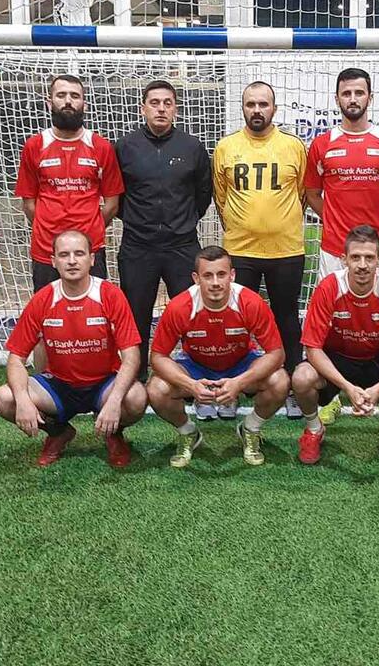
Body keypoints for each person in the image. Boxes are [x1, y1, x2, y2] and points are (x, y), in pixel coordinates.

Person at [303, 67, 379, 427]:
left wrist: (378, 223)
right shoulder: (322, 144)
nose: (353, 99)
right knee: (332, 324)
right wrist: (336, 222)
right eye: (346, 93)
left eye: (359, 93)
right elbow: (312, 194)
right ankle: (332, 395)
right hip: (334, 249)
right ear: (337, 99)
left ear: (370, 97)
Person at [0, 229, 146, 469]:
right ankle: (59, 432)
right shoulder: (43, 299)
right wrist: (22, 399)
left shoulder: (110, 295)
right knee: (4, 399)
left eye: (79, 254)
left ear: (92, 259)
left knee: (136, 398)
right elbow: (16, 358)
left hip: (103, 384)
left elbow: (132, 356)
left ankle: (114, 433)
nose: (72, 261)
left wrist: (115, 400)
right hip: (59, 386)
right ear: (53, 261)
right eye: (64, 255)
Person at [291, 225, 379, 470]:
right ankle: (314, 430)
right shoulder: (329, 287)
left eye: (369, 257)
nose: (362, 265)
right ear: (343, 259)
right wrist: (347, 387)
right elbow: (312, 348)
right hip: (338, 359)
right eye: (355, 257)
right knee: (301, 377)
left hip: (378, 359)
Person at [211, 81, 307, 419]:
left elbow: (302, 194)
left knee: (287, 319)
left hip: (286, 250)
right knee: (235, 322)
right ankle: (231, 391)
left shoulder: (293, 146)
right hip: (240, 251)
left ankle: (293, 387)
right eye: (250, 104)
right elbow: (221, 198)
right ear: (242, 108)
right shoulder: (226, 147)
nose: (257, 110)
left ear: (274, 109)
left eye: (263, 104)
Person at [146, 246, 290, 467]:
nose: (215, 282)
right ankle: (188, 432)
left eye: (221, 274)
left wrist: (239, 382)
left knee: (280, 381)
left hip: (240, 364)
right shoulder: (179, 306)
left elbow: (277, 354)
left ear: (232, 275)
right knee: (156, 389)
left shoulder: (250, 302)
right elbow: (157, 357)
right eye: (208, 275)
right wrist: (190, 385)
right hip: (195, 366)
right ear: (196, 279)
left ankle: (250, 428)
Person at [113, 80, 212, 380]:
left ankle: (195, 379)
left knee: (191, 314)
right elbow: (117, 196)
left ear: (175, 109)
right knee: (135, 317)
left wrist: (182, 222)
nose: (161, 109)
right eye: (154, 103)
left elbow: (203, 194)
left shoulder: (192, 147)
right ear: (143, 108)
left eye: (167, 103)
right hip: (138, 246)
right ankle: (135, 381)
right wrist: (138, 221)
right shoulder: (125, 147)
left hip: (181, 245)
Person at [15, 74, 123, 290]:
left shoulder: (101, 147)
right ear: (49, 102)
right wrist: (49, 226)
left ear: (84, 104)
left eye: (74, 96)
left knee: (94, 307)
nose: (68, 101)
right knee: (48, 308)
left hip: (90, 248)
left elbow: (112, 205)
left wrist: (90, 228)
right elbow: (28, 204)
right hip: (46, 250)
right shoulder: (34, 146)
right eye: (61, 95)